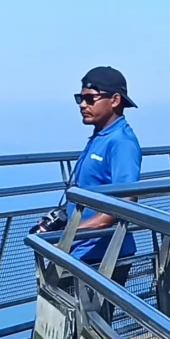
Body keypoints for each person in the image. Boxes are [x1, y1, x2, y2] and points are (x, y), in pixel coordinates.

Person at [40, 68, 142, 265]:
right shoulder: (101, 137)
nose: (82, 105)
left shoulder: (122, 142)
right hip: (82, 250)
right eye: (80, 98)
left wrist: (67, 236)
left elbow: (124, 202)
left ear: (115, 100)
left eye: (90, 99)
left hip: (103, 256)